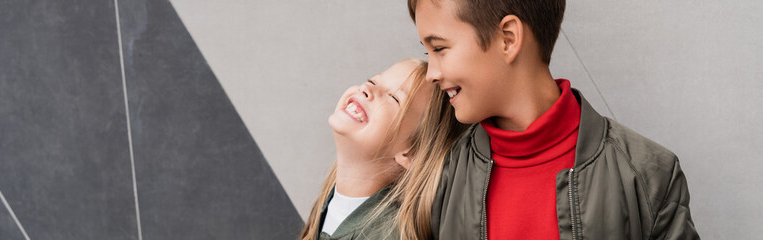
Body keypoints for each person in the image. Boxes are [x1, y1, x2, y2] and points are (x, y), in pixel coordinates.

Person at [406, 0, 700, 239]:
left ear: (508, 39)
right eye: (427, 51)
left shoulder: (648, 175)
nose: (432, 72)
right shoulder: (440, 172)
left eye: (440, 48)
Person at [299, 58, 435, 240]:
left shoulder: (390, 235)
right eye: (373, 81)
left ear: (410, 153)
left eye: (394, 97)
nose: (366, 88)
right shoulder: (328, 207)